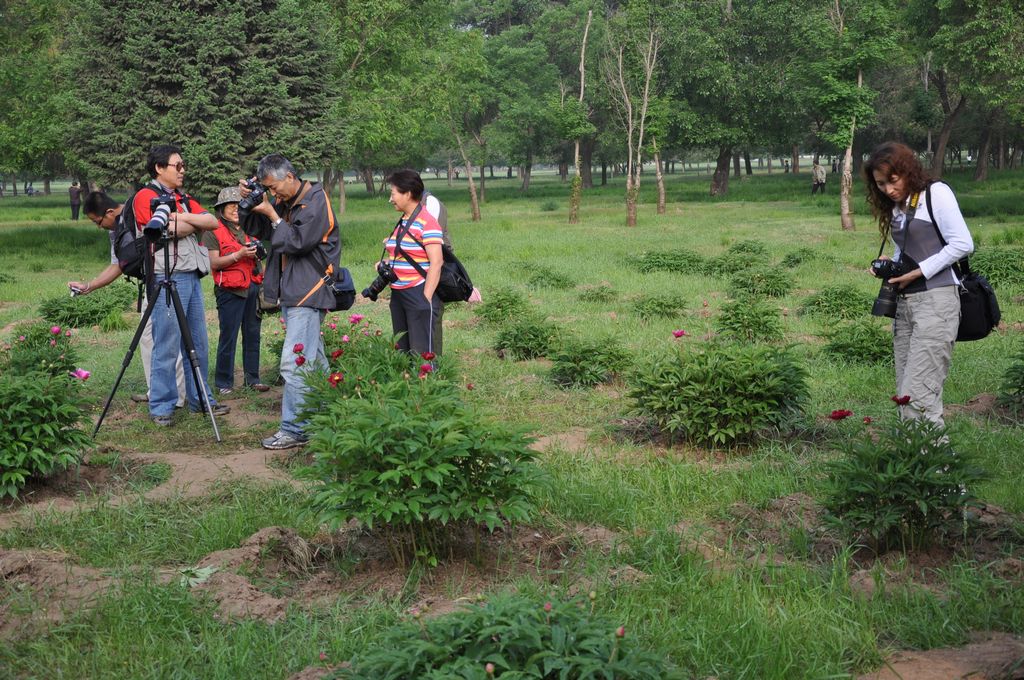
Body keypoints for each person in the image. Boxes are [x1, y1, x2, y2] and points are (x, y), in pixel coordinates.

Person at [864, 141, 974, 427]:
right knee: (906, 395)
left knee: (918, 398)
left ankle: (934, 468)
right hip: (906, 306)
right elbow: (910, 249)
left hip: (937, 302)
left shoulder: (936, 194)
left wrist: (918, 272)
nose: (888, 189)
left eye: (892, 180)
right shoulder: (897, 207)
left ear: (906, 170)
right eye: (879, 184)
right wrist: (894, 264)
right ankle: (921, 465)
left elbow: (963, 243)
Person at [239, 154, 340, 450]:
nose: (272, 194)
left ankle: (295, 429)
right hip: (294, 290)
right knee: (315, 361)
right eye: (267, 189)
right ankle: (328, 416)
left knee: (294, 362)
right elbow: (258, 231)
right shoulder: (288, 201)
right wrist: (248, 203)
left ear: (291, 177)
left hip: (309, 290)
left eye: (273, 187)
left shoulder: (316, 202)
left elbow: (296, 241)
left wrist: (272, 213)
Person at [133, 145, 227, 426]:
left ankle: (201, 399)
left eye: (183, 165)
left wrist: (180, 216)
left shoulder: (181, 198)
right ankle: (161, 407)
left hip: (191, 274)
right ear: (160, 168)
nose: (183, 170)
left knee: (198, 341)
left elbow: (211, 221)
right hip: (165, 276)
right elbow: (161, 229)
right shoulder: (145, 196)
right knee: (168, 343)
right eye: (178, 165)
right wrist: (189, 222)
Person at [69, 191, 185, 408]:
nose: (99, 226)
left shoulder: (138, 213)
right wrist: (89, 286)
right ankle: (156, 391)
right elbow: (118, 265)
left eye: (98, 221)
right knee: (147, 338)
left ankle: (177, 397)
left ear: (110, 212)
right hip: (149, 284)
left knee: (168, 337)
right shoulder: (116, 231)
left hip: (167, 279)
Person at [202, 187, 269, 395]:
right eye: (229, 206)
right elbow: (213, 263)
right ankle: (224, 383)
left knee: (252, 334)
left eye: (238, 205)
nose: (234, 209)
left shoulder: (250, 227)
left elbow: (261, 259)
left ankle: (253, 378)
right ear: (221, 210)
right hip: (229, 291)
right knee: (228, 337)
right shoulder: (212, 231)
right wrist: (238, 255)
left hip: (253, 287)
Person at [380, 169, 444, 357]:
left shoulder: (427, 222)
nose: (391, 199)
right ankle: (407, 385)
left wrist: (426, 297)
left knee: (421, 353)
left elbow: (437, 262)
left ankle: (427, 386)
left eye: (393, 194)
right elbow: (408, 255)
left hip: (417, 293)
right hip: (398, 294)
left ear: (407, 194)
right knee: (402, 351)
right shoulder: (404, 221)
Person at [422, 188, 450, 355]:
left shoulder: (430, 204)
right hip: (424, 269)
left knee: (432, 314)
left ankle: (434, 364)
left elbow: (431, 239)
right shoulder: (420, 205)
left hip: (435, 268)